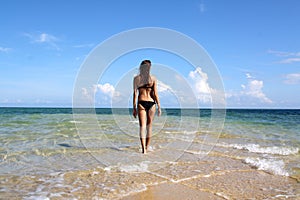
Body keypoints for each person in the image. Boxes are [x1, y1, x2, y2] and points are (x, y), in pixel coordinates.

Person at [133, 60, 161, 154]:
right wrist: (159, 106)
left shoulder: (137, 78)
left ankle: (144, 150)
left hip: (141, 102)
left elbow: (135, 94)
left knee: (142, 127)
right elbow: (155, 94)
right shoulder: (153, 78)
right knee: (149, 127)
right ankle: (147, 147)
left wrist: (134, 108)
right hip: (151, 103)